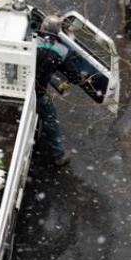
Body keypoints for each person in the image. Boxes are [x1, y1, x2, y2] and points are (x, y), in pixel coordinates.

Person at [35, 15, 85, 167]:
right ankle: (58, 154)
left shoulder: (31, 40)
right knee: (50, 118)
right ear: (58, 32)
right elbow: (75, 77)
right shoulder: (62, 51)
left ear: (43, 27)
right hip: (37, 91)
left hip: (19, 84)